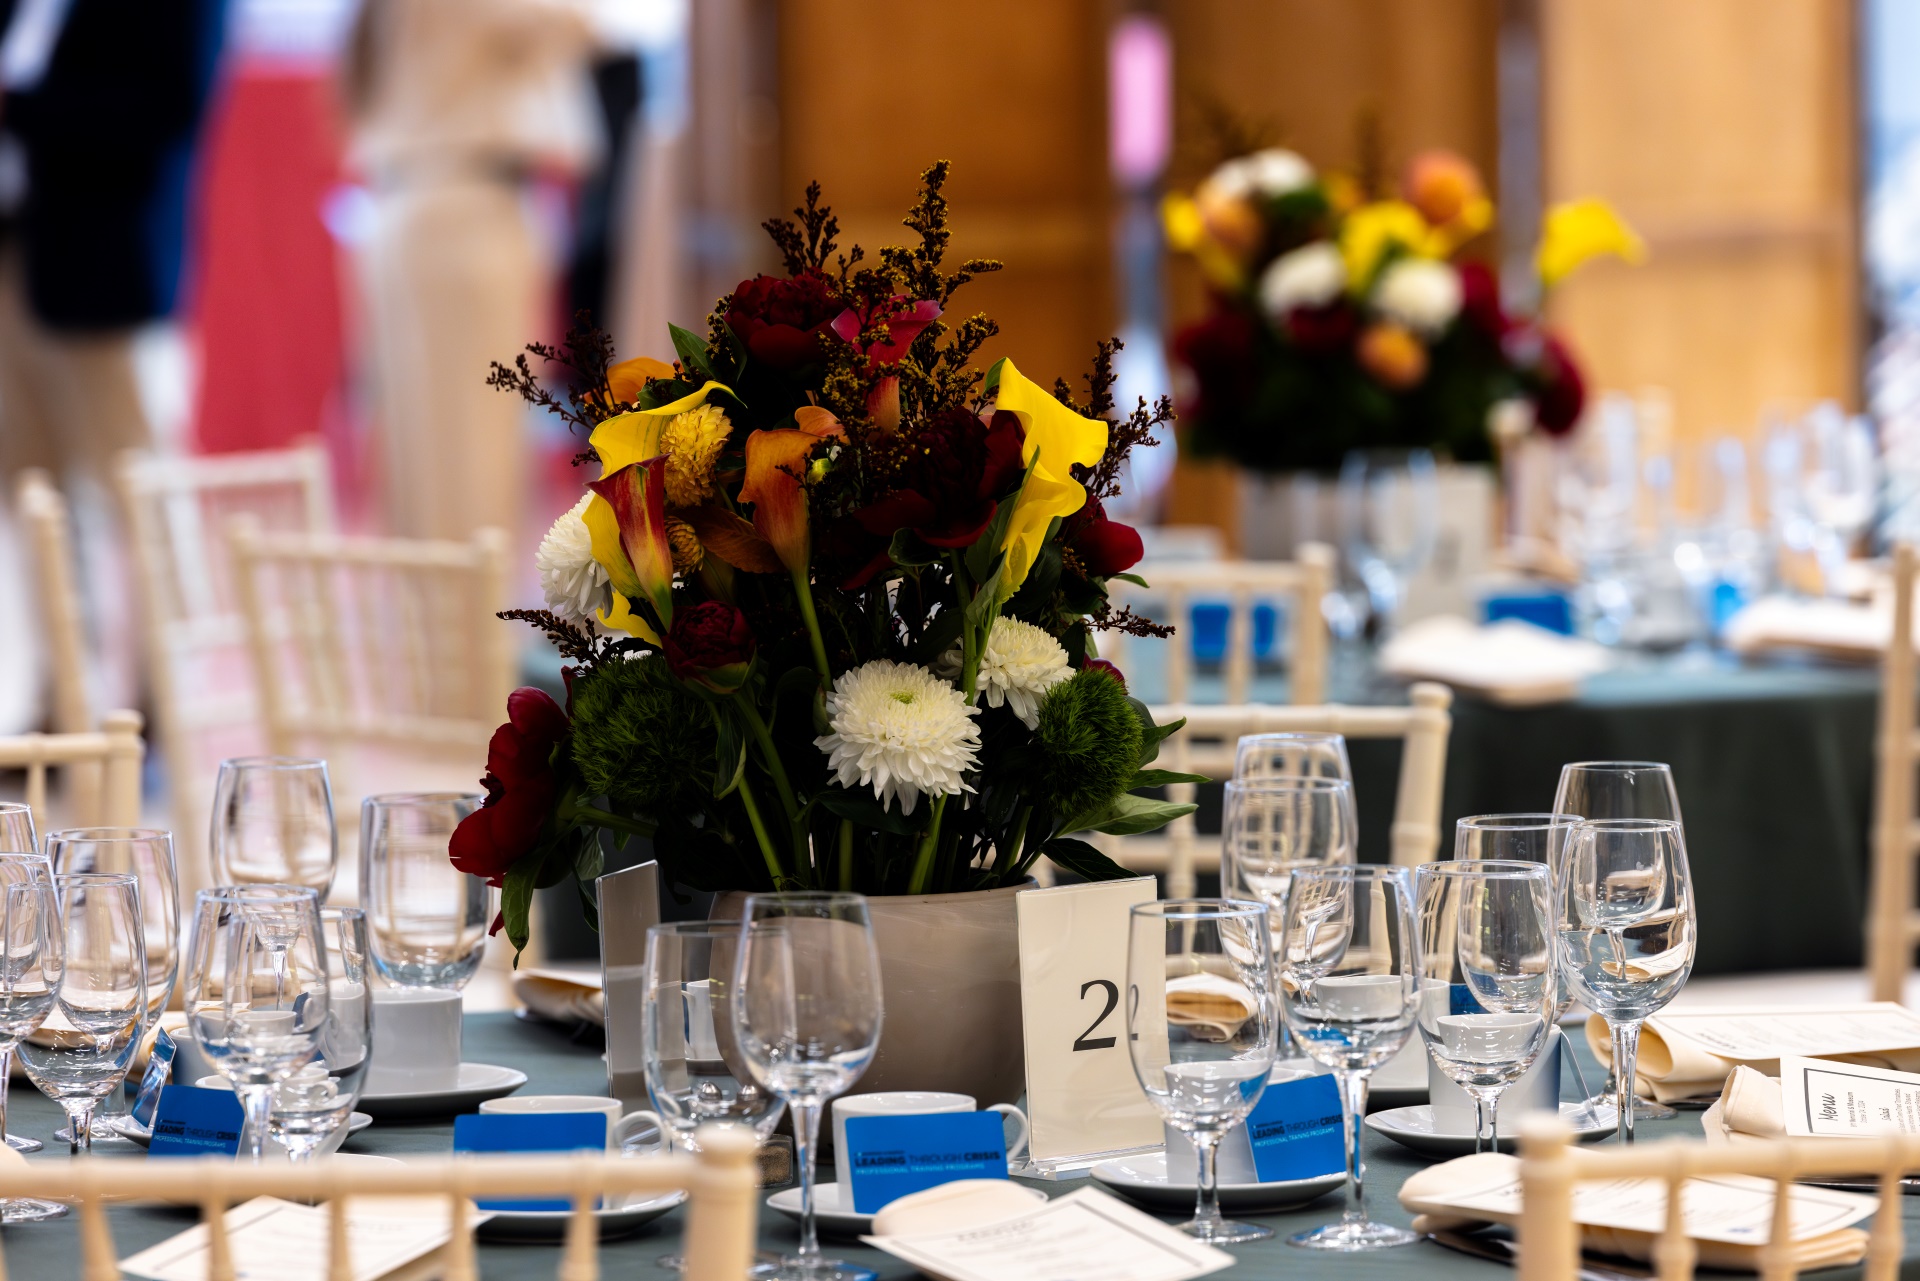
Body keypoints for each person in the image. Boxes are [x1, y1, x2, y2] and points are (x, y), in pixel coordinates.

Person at [340, 0, 598, 550]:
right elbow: (587, 21)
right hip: (464, 214)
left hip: (415, 203)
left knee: (424, 453)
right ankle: (469, 632)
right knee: (469, 451)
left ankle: (441, 627)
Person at [0, 0, 227, 484]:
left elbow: (169, 106)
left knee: (139, 491)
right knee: (33, 496)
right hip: (16, 250)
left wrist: (17, 108)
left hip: (109, 264)